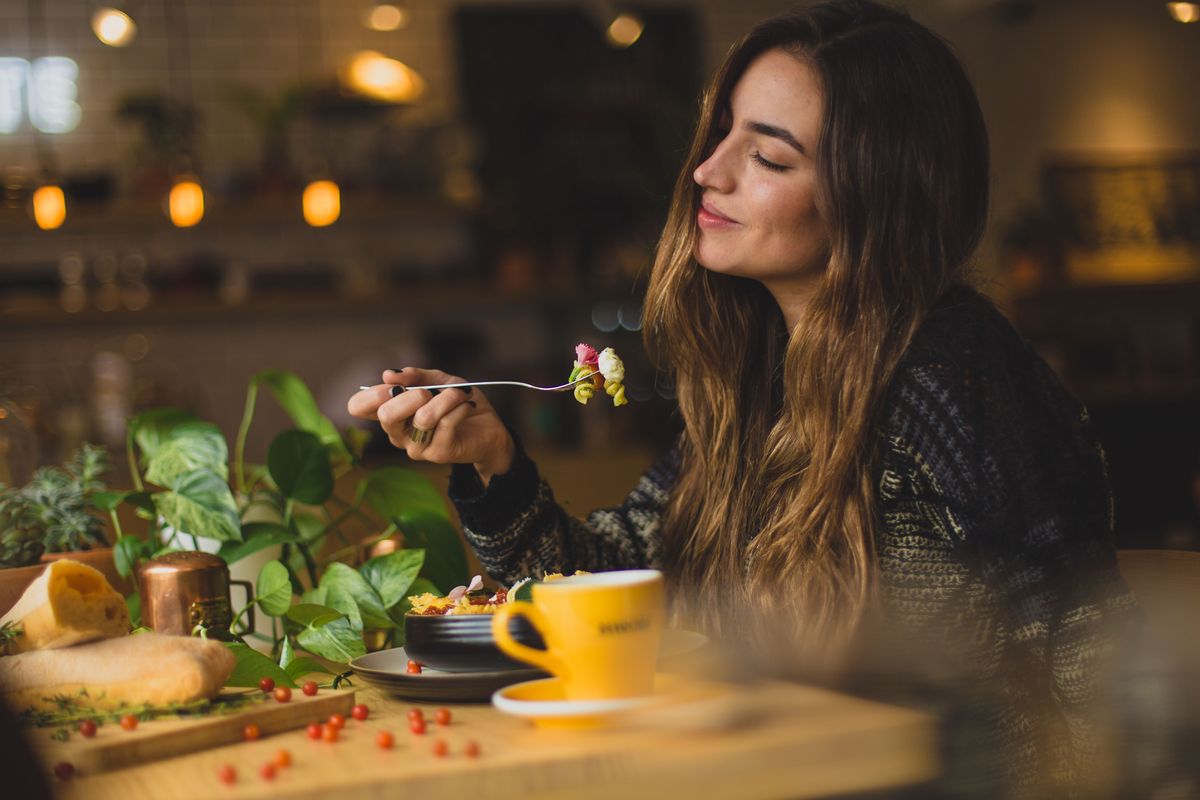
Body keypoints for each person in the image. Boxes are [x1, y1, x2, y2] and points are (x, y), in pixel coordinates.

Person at [349, 0, 1133, 794]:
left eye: (769, 157)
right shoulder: (764, 382)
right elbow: (618, 587)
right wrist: (494, 460)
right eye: (722, 131)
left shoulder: (952, 377)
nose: (706, 170)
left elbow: (1085, 658)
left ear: (874, 198)